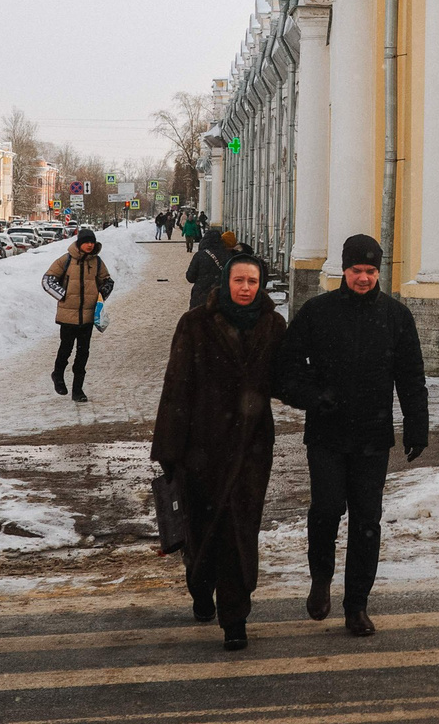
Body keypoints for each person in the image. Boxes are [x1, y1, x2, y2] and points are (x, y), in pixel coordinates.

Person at [276, 233, 428, 638]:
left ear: (379, 272)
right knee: (326, 509)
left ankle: (357, 604)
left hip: (373, 437)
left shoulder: (396, 316)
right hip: (326, 433)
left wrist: (417, 426)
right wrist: (314, 396)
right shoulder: (318, 312)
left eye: (371, 271)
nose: (364, 278)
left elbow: (411, 376)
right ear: (343, 270)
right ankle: (321, 578)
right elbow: (286, 368)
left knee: (367, 520)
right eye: (357, 270)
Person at [152, 253, 287, 651]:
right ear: (226, 281)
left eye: (252, 281)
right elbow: (176, 387)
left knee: (240, 531)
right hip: (201, 447)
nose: (245, 288)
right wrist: (169, 450)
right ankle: (200, 584)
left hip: (251, 447)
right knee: (202, 529)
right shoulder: (195, 323)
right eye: (239, 280)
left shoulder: (273, 325)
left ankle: (235, 616)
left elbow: (286, 379)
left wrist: (324, 395)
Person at [43, 227, 114, 401]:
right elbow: (48, 280)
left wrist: (101, 294)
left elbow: (108, 281)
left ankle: (78, 390)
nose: (90, 245)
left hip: (88, 317)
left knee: (83, 354)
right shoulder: (66, 260)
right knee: (65, 349)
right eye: (86, 242)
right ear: (79, 243)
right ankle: (58, 375)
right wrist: (63, 295)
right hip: (68, 316)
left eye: (92, 242)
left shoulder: (97, 262)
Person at [186, 227, 234, 310]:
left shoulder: (200, 255)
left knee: (199, 317)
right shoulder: (228, 255)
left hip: (200, 297)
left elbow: (190, 277)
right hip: (220, 297)